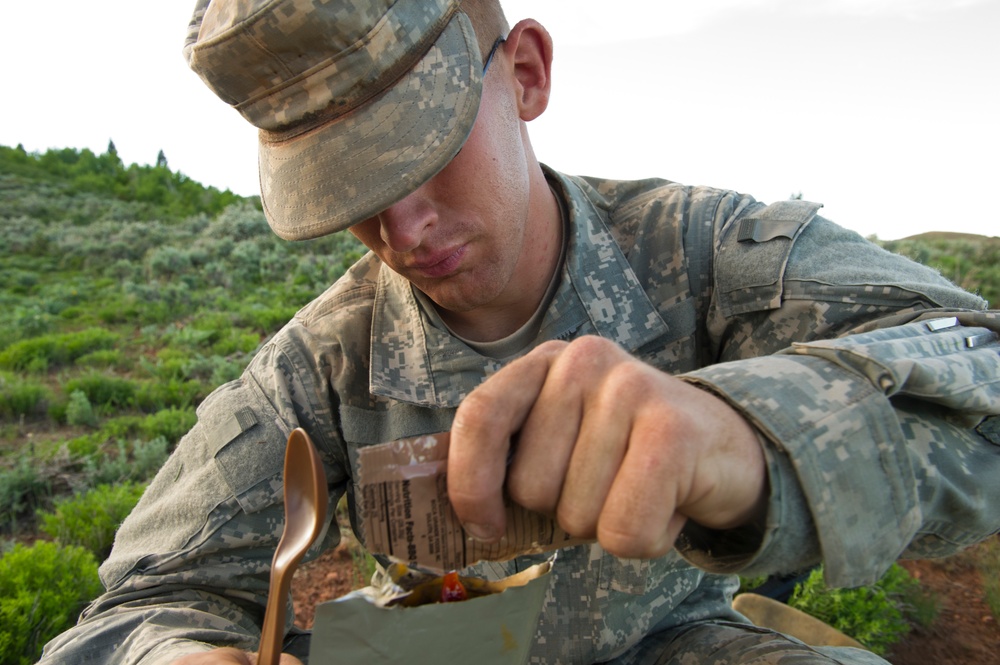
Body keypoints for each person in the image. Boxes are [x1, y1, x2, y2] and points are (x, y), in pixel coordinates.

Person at [40, 0, 1000, 663]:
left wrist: (743, 432)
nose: (402, 230)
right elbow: (137, 602)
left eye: (426, 149)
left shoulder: (713, 253)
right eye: (353, 191)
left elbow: (981, 374)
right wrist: (178, 649)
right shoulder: (320, 364)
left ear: (527, 73)